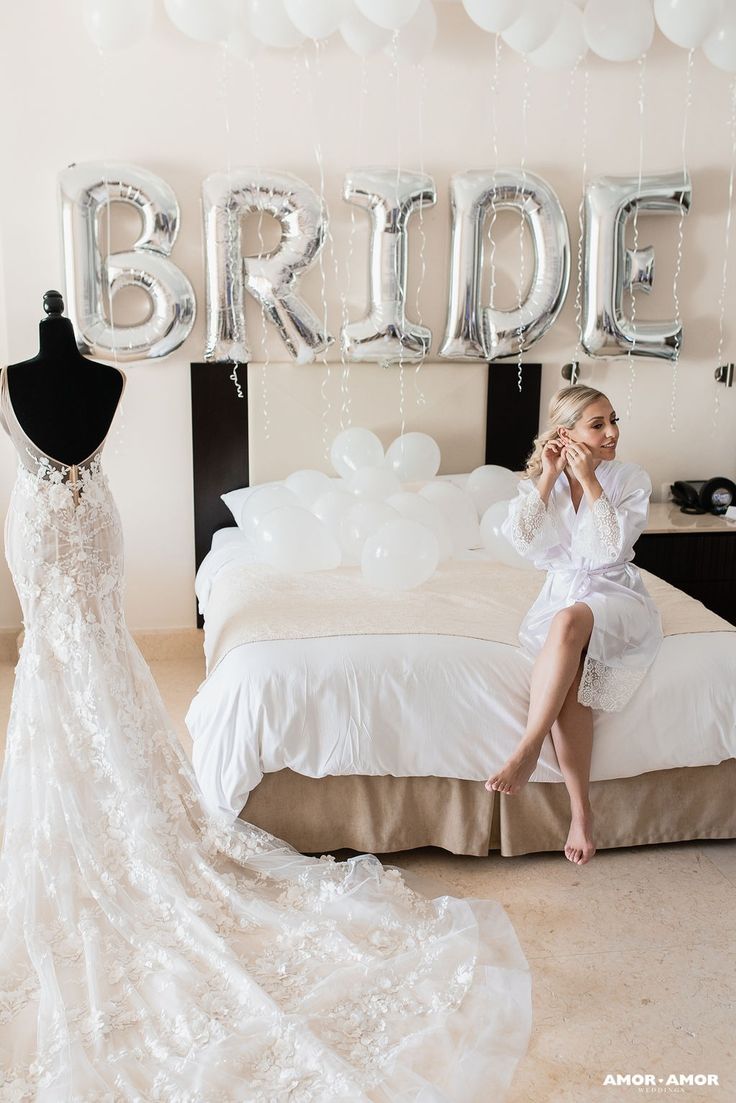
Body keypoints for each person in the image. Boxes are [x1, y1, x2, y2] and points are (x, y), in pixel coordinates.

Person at [0, 309, 531, 1099]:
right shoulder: (24, 379)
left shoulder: (102, 378)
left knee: (96, 647)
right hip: (46, 532)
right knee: (54, 654)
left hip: (78, 528)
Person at [485, 385, 663, 867]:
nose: (612, 433)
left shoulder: (630, 478)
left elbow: (608, 550)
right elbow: (521, 542)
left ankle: (528, 746)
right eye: (598, 424)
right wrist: (548, 477)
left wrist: (591, 481)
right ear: (567, 433)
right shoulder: (545, 478)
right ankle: (581, 813)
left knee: (569, 622)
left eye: (613, 420)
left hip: (615, 594)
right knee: (569, 681)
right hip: (562, 594)